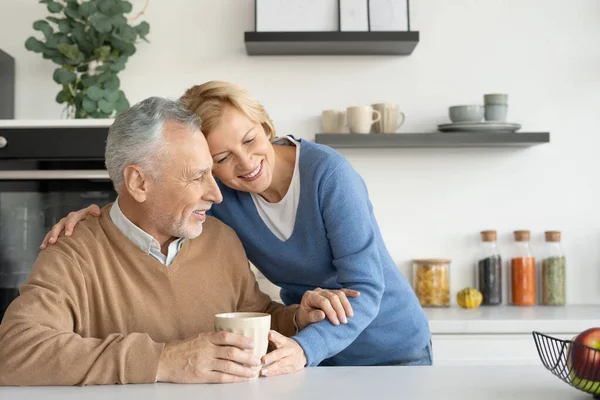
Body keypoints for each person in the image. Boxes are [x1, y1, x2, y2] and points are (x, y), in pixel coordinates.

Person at [40, 81, 433, 369]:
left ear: (265, 125)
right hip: (306, 347)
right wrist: (100, 216)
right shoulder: (224, 194)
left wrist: (306, 347)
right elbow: (159, 196)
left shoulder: (327, 175)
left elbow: (364, 287)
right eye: (221, 158)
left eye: (249, 139)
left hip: (388, 346)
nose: (245, 164)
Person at [0, 97, 356, 386]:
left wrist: (295, 320)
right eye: (198, 177)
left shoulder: (220, 240)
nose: (217, 195)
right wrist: (163, 361)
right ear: (139, 183)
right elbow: (14, 352)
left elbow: (256, 318)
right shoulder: (74, 251)